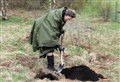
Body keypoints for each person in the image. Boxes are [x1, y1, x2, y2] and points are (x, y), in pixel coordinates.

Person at [29, 7, 76, 71]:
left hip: (46, 28)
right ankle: (50, 67)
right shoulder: (56, 17)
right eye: (68, 19)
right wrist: (58, 45)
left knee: (48, 47)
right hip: (43, 28)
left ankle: (42, 65)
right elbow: (52, 30)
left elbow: (56, 27)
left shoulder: (60, 15)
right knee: (49, 46)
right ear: (66, 14)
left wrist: (61, 30)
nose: (67, 20)